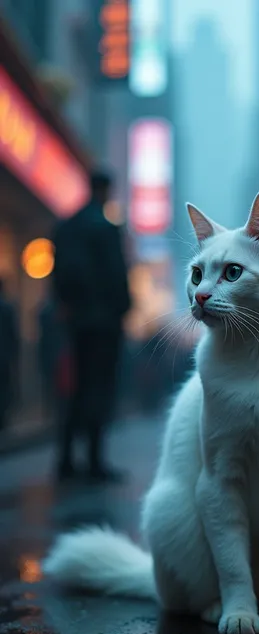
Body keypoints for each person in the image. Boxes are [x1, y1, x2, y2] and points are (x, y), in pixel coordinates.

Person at [52, 170, 131, 481]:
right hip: (104, 322)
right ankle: (94, 460)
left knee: (76, 387)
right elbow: (116, 275)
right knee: (99, 387)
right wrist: (123, 307)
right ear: (106, 191)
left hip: (77, 322)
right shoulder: (104, 229)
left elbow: (58, 277)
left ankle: (66, 459)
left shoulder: (67, 227)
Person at [0, 280, 18, 431]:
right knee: (4, 389)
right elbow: (13, 336)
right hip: (4, 357)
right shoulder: (7, 309)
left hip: (4, 356)